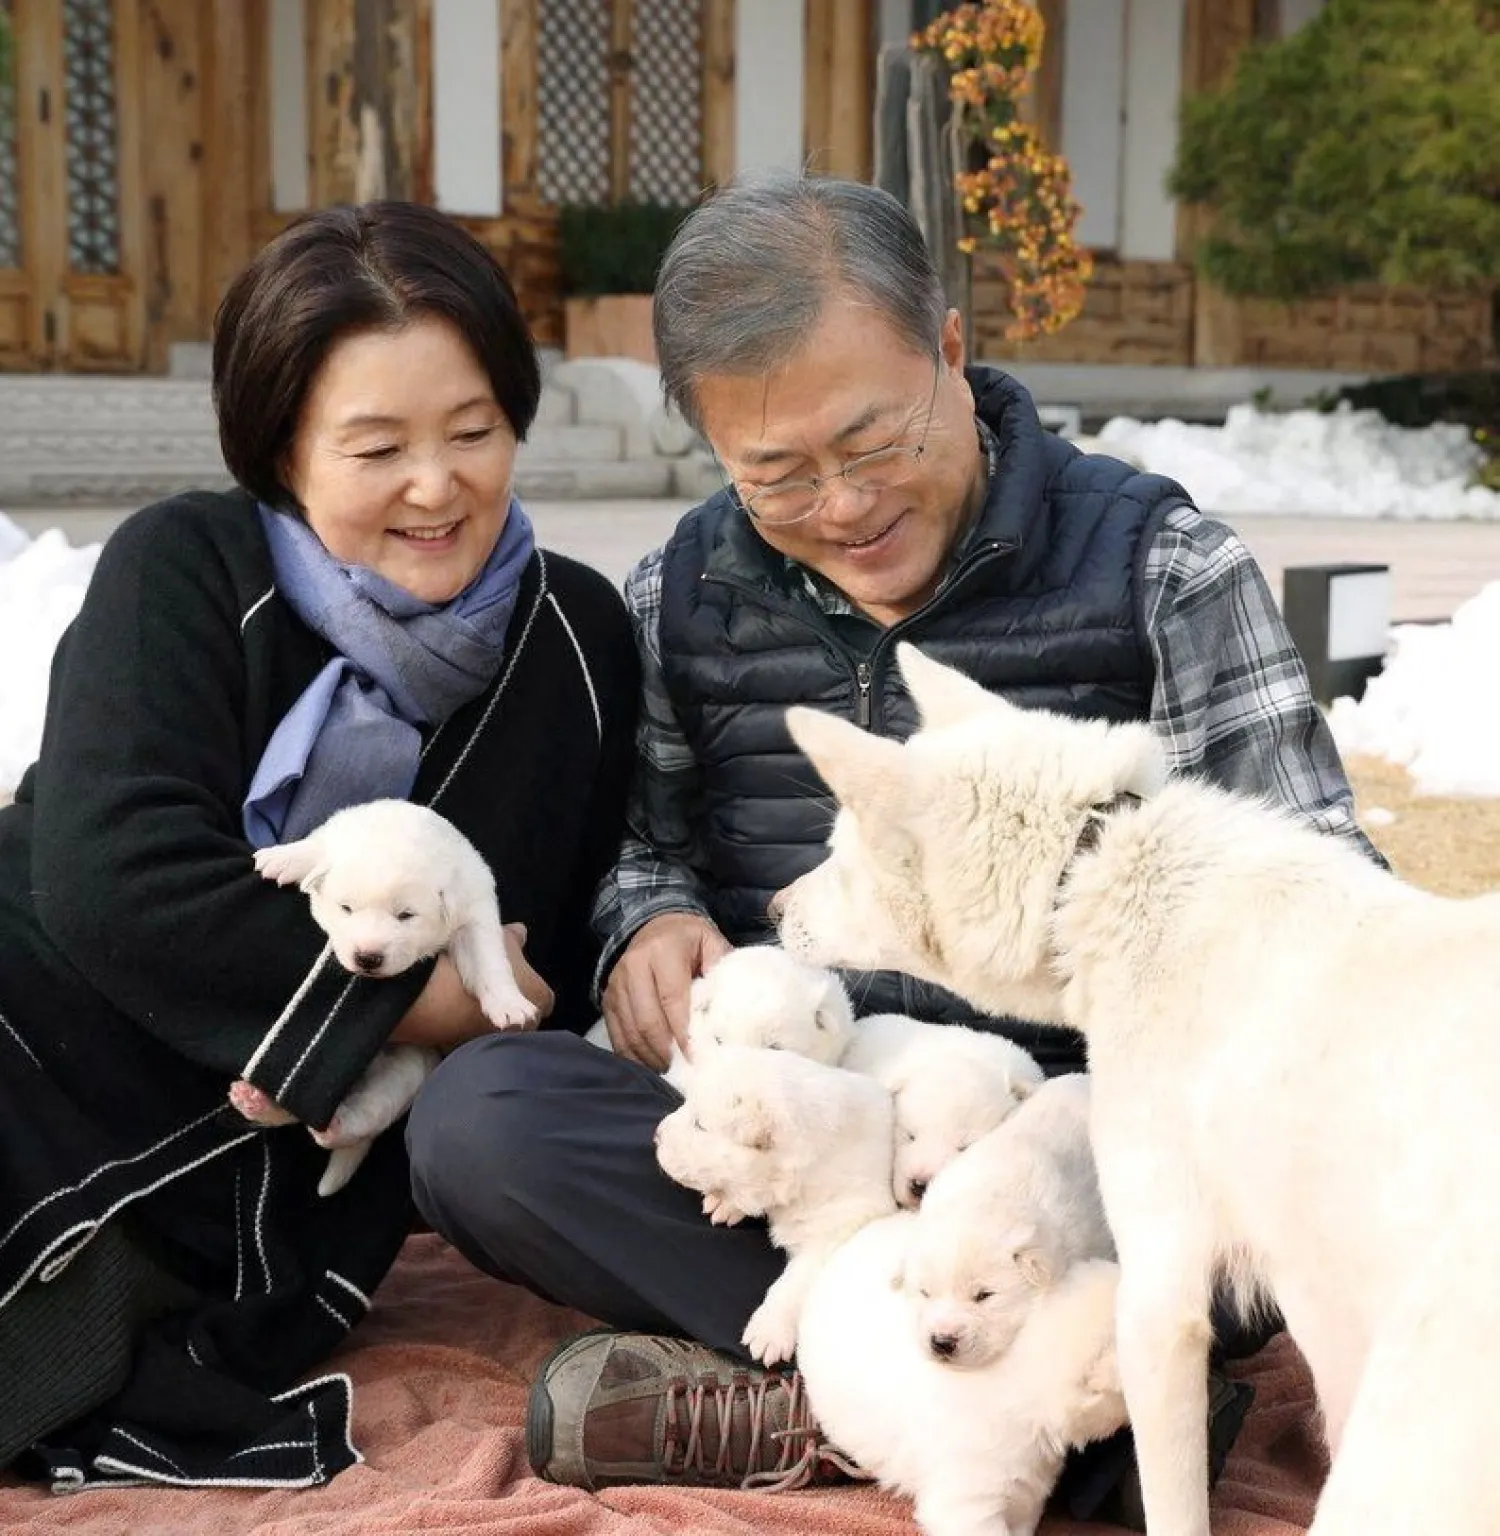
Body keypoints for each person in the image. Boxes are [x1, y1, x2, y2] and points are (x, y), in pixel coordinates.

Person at [407, 175, 1379, 1509]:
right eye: (778, 475)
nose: (844, 504)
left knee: (1218, 1221)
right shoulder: (682, 594)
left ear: (954, 354)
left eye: (871, 442)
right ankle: (1033, 1409)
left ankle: (819, 1407)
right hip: (815, 1126)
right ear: (710, 450)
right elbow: (645, 845)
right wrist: (650, 924)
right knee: (480, 1123)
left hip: (1083, 1151)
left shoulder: (1159, 568)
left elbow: (1327, 905)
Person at [0, 201, 638, 1490]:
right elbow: (109, 878)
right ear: (282, 444)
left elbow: (553, 934)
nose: (436, 485)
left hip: (293, 1171)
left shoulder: (578, 639)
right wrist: (424, 993)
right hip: (50, 1007)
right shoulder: (182, 563)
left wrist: (474, 1005)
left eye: (474, 432)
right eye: (376, 446)